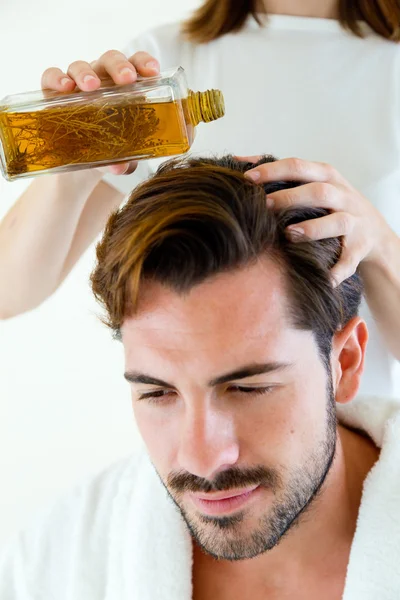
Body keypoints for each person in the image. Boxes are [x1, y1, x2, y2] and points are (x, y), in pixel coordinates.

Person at [1, 155, 399, 600]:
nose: (202, 459)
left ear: (344, 363)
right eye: (157, 392)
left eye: (247, 388)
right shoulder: (63, 562)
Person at [0, 0, 399, 402]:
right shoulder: (163, 59)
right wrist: (77, 165)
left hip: (360, 437)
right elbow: (8, 290)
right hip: (198, 432)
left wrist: (380, 244)